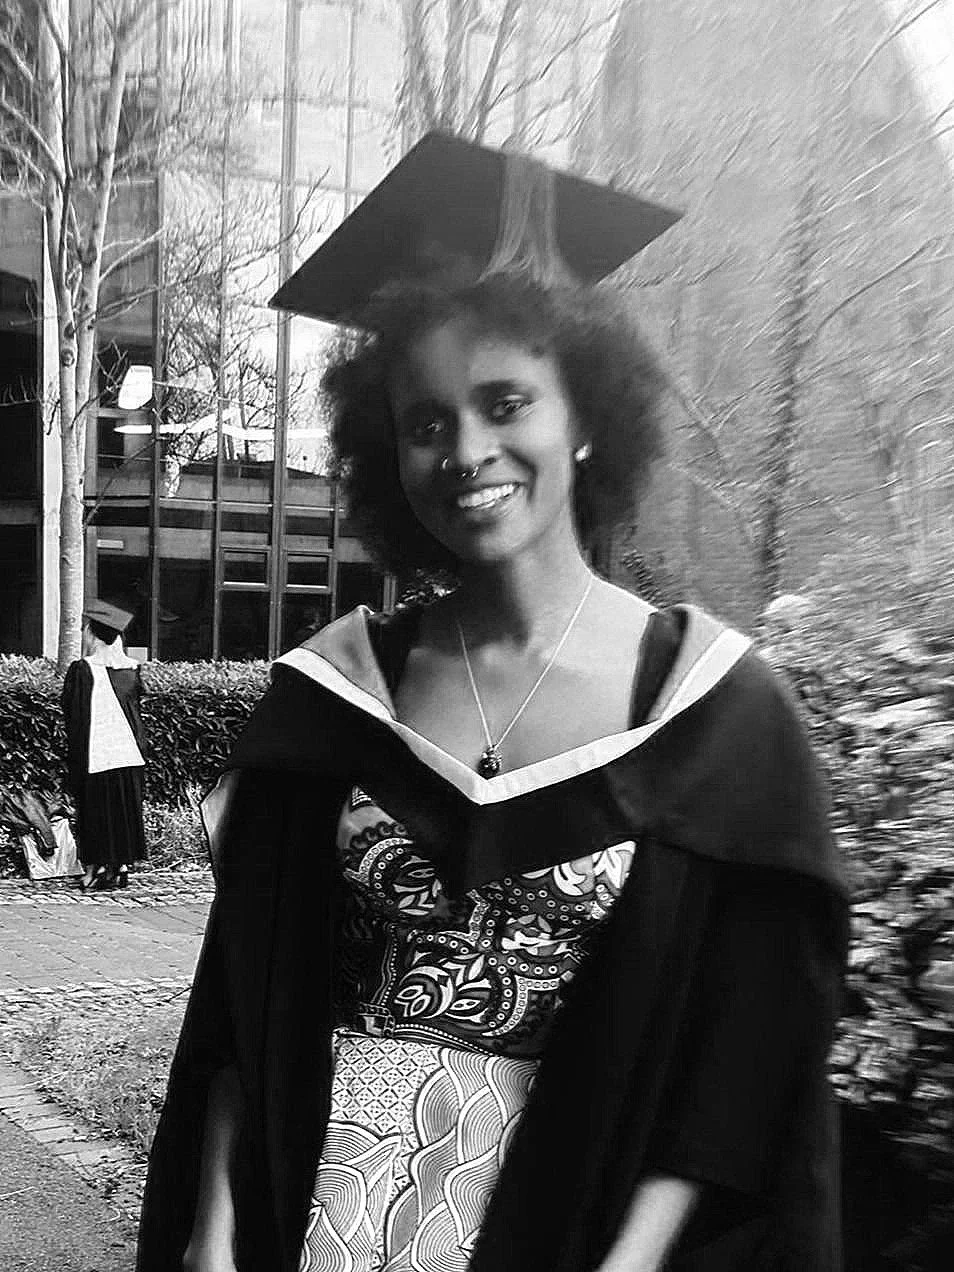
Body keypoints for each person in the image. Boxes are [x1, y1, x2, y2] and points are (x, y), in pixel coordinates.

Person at [138, 134, 849, 1272]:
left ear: (586, 414)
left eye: (505, 401)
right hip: (314, 1222)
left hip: (565, 1225)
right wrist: (211, 1239)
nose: (466, 451)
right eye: (425, 423)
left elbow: (741, 1063)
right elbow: (248, 998)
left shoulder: (718, 716)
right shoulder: (339, 691)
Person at [61, 600, 147, 891]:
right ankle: (121, 865)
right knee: (124, 811)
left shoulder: (83, 670)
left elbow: (73, 715)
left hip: (96, 754)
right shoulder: (131, 669)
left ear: (93, 635)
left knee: (96, 812)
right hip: (130, 754)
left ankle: (95, 868)